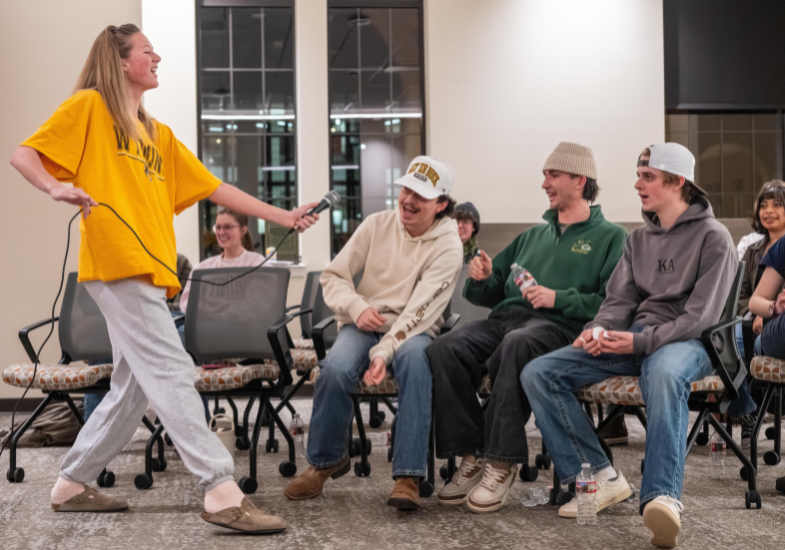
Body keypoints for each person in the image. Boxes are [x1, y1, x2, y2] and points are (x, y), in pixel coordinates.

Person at [10, 24, 319, 533]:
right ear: (120, 61)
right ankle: (221, 491)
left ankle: (71, 482)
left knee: (133, 387)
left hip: (152, 271)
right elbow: (24, 154)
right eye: (146, 51)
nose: (156, 58)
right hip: (116, 262)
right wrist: (54, 187)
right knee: (173, 370)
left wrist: (285, 216)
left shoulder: (157, 134)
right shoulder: (90, 107)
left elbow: (215, 187)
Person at [523, 143, 736, 549]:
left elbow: (701, 318)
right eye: (639, 175)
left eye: (648, 177)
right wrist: (599, 329)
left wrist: (640, 339)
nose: (637, 184)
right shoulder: (638, 240)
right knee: (540, 371)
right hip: (636, 338)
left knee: (665, 372)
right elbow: (618, 302)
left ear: (677, 183)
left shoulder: (715, 237)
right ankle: (598, 476)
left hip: (689, 342)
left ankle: (662, 497)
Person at [427, 142, 627, 513]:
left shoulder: (612, 238)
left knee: (517, 344)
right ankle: (472, 455)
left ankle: (501, 463)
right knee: (443, 348)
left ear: (579, 180)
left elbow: (612, 304)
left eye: (552, 175)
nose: (544, 184)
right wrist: (483, 277)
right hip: (507, 319)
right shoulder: (530, 237)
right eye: (544, 176)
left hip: (560, 328)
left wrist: (558, 298)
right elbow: (489, 290)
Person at [283, 155, 463, 510]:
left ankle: (408, 475)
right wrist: (355, 307)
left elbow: (420, 311)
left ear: (441, 204)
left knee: (415, 364)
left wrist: (384, 351)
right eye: (406, 190)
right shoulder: (376, 224)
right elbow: (333, 277)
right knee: (334, 368)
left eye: (421, 196)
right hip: (365, 322)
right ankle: (326, 460)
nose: (408, 200)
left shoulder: (449, 245)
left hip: (415, 330)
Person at [84, 251, 193, 423]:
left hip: (163, 319)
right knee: (103, 339)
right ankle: (92, 424)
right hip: (129, 318)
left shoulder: (178, 261)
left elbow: (186, 305)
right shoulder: (124, 262)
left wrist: (153, 309)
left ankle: (169, 412)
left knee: (179, 330)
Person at [732, 180, 785, 447]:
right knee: (727, 341)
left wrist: (768, 315)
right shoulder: (752, 249)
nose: (769, 211)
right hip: (751, 320)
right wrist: (757, 315)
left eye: (777, 205)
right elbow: (742, 295)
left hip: (774, 323)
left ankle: (751, 409)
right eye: (764, 205)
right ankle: (748, 410)